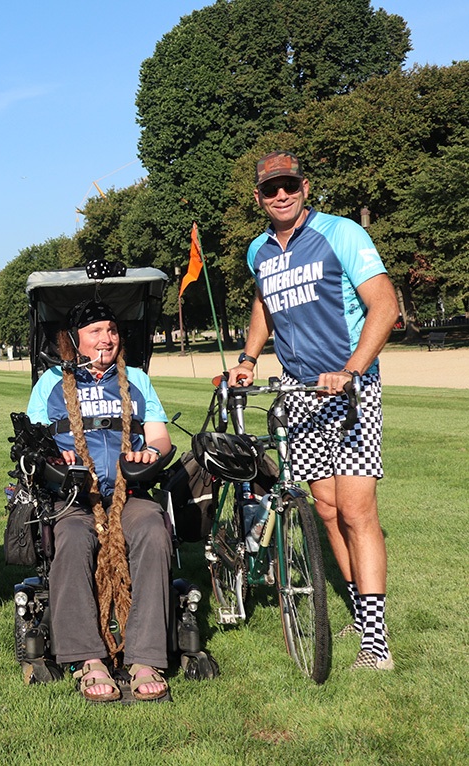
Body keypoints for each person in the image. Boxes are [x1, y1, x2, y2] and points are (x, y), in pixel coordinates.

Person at [227, 151, 399, 671]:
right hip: (297, 393)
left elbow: (385, 305)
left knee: (356, 511)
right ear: (258, 196)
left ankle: (377, 642)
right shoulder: (259, 249)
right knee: (324, 510)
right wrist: (248, 357)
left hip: (348, 392)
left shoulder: (340, 233)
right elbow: (264, 304)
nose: (281, 195)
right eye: (270, 188)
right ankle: (356, 612)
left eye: (289, 185)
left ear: (305, 187)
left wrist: (351, 370)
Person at [26, 299, 174, 702]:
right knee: (72, 538)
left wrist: (152, 454)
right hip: (74, 497)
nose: (106, 338)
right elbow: (33, 442)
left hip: (130, 494)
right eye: (95, 331)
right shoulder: (51, 383)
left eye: (111, 329)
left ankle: (145, 657)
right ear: (74, 340)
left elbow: (160, 436)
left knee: (153, 531)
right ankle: (87, 658)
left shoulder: (137, 379)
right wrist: (53, 457)